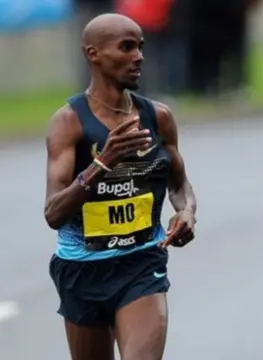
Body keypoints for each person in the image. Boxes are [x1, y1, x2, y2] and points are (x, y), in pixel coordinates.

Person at [44, 13, 197, 360]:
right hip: (83, 268)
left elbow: (180, 184)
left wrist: (186, 211)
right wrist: (102, 163)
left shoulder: (158, 117)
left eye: (140, 47)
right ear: (93, 54)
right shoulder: (68, 123)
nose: (138, 56)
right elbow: (53, 212)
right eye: (126, 47)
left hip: (141, 264)